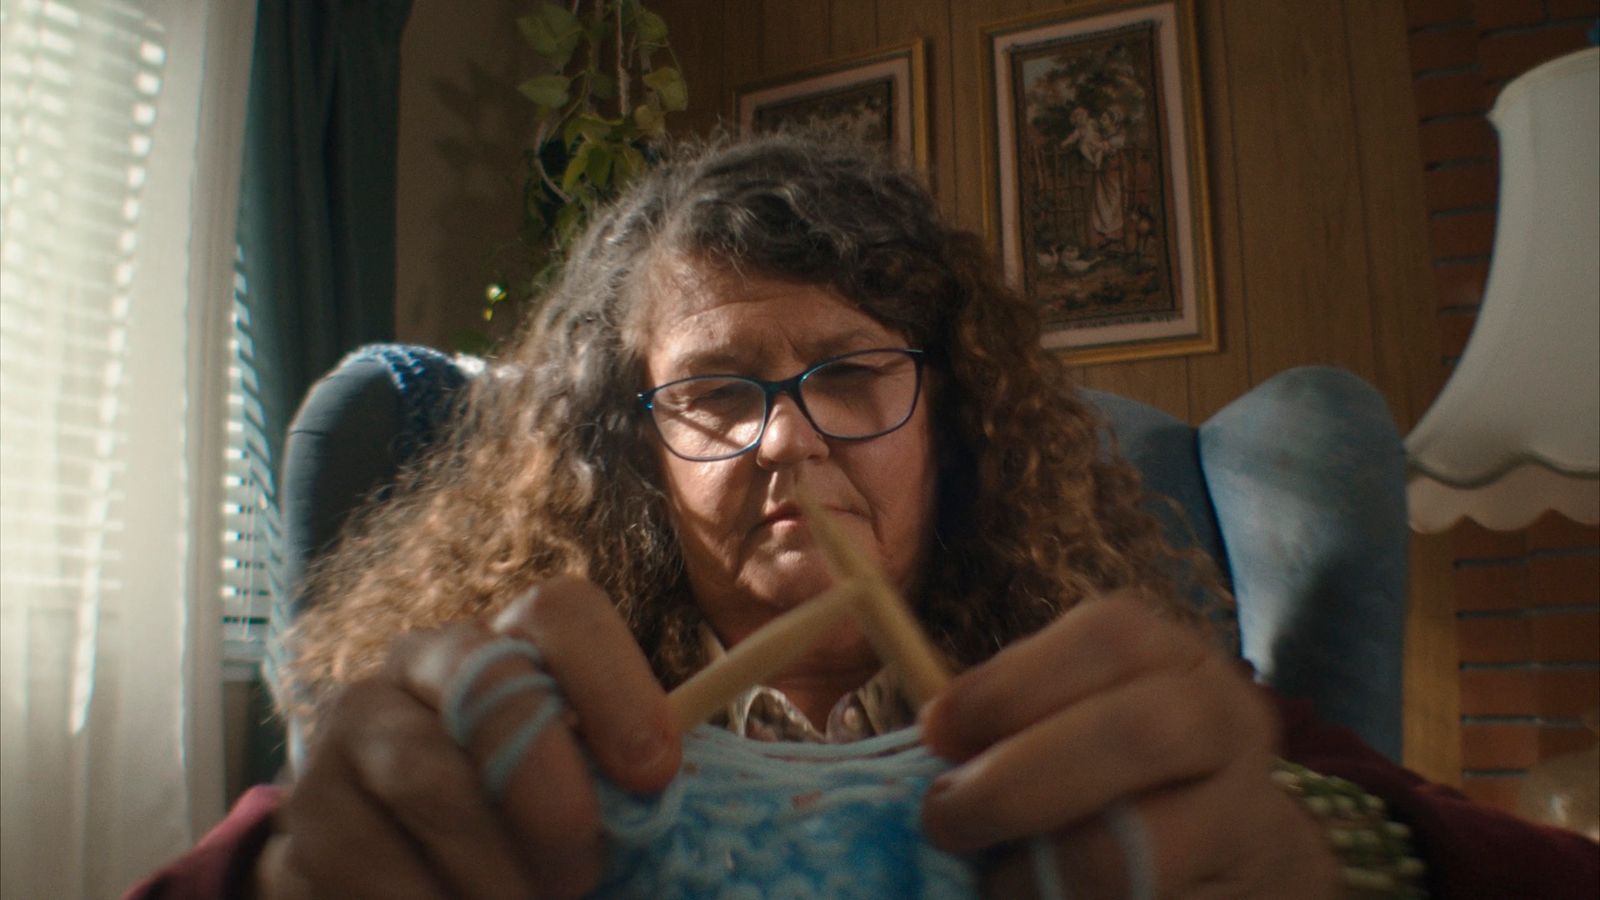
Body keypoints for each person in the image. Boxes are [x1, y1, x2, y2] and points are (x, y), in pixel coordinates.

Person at [129, 132, 1597, 899]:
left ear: (951, 421)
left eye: (850, 376)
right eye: (717, 392)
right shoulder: (525, 743)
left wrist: (1330, 863)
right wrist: (290, 875)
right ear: (630, 452)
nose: (792, 441)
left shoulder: (1108, 708)